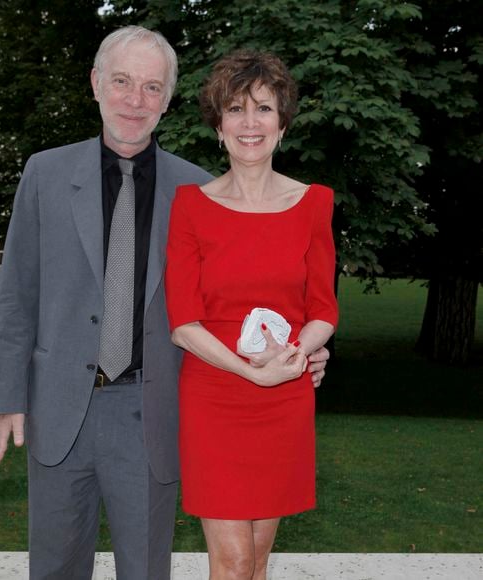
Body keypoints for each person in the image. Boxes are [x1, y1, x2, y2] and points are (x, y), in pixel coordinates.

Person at [0, 26, 330, 580]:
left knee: (145, 570)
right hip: (59, 408)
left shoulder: (197, 192)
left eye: (150, 87)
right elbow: (17, 297)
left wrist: (298, 353)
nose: (134, 100)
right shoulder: (44, 174)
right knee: (54, 568)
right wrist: (7, 399)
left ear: (166, 101)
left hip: (151, 412)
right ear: (96, 84)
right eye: (121, 82)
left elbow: (242, 297)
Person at [165, 49, 338, 580]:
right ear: (218, 126)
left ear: (282, 124)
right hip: (214, 395)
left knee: (257, 560)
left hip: (283, 395)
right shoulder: (190, 205)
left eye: (263, 109)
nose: (249, 123)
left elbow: (323, 311)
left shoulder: (314, 204)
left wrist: (293, 357)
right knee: (233, 561)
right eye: (235, 109)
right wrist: (249, 371)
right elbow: (183, 323)